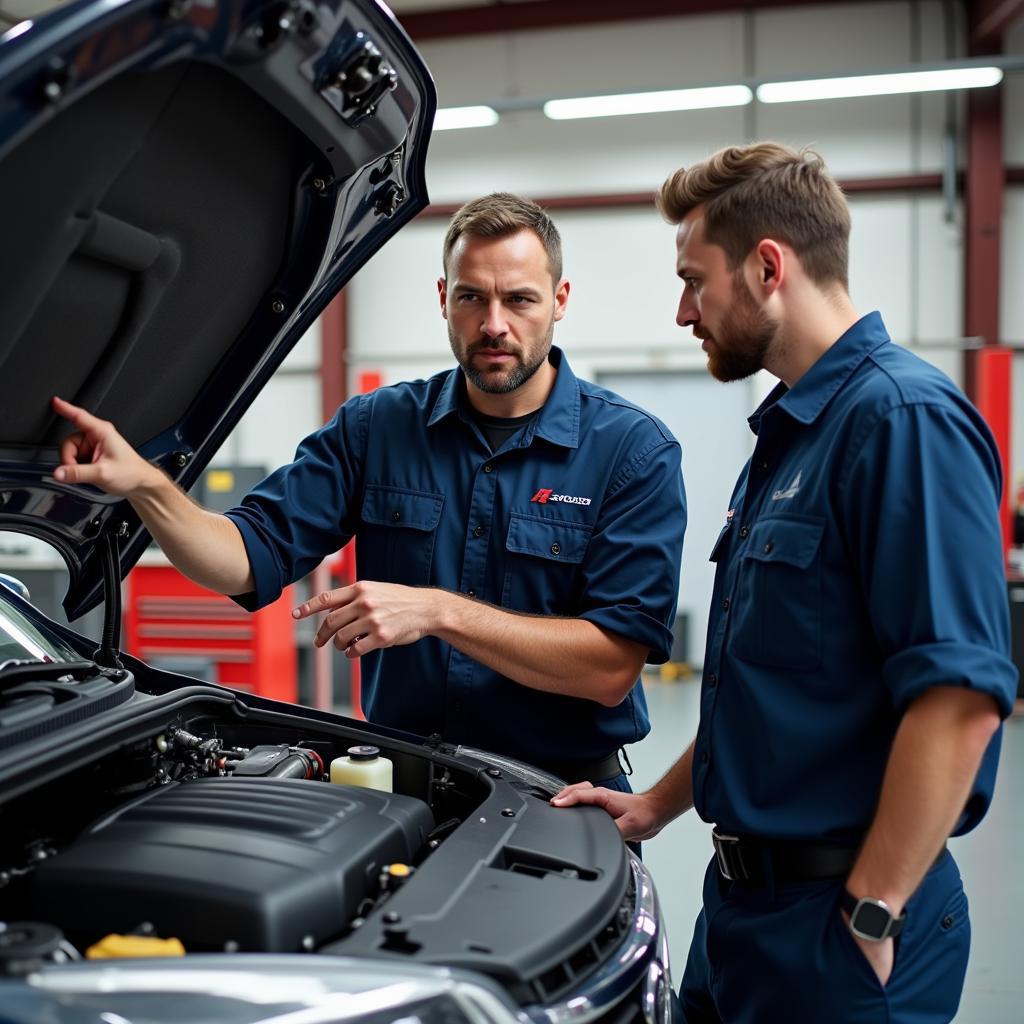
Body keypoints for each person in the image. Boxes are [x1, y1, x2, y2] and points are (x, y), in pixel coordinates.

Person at [551, 143, 1018, 1022]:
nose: (683, 310)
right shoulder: (793, 436)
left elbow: (960, 699)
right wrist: (657, 804)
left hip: (840, 927)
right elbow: (765, 687)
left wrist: (870, 911)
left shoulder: (901, 421)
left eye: (696, 279)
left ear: (768, 266)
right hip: (740, 914)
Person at [52, 192, 687, 792]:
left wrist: (438, 610)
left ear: (559, 299)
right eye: (471, 297)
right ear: (443, 298)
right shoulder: (377, 428)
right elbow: (244, 556)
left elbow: (608, 669)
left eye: (519, 300)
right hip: (403, 783)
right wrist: (147, 485)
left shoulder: (631, 452)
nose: (494, 324)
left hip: (565, 791)